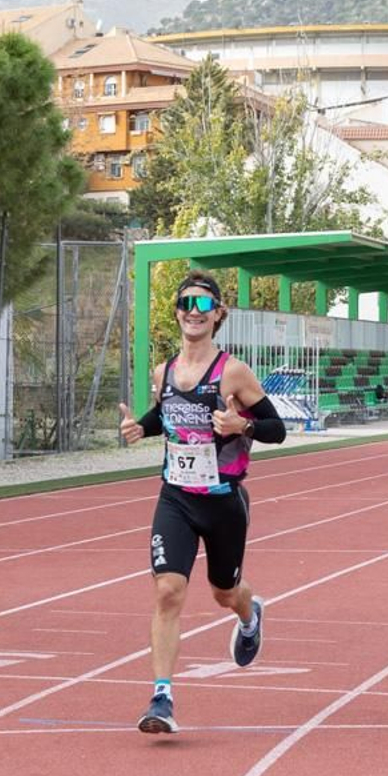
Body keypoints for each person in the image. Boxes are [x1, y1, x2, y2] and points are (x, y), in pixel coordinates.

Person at [118, 271, 287, 735]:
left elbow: (277, 429)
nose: (193, 310)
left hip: (223, 501)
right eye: (186, 302)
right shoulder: (164, 372)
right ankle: (162, 697)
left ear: (217, 315)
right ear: (176, 312)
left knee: (223, 593)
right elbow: (165, 415)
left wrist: (242, 427)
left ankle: (250, 615)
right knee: (168, 591)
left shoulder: (233, 372)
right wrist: (142, 429)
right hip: (176, 497)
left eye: (203, 303)